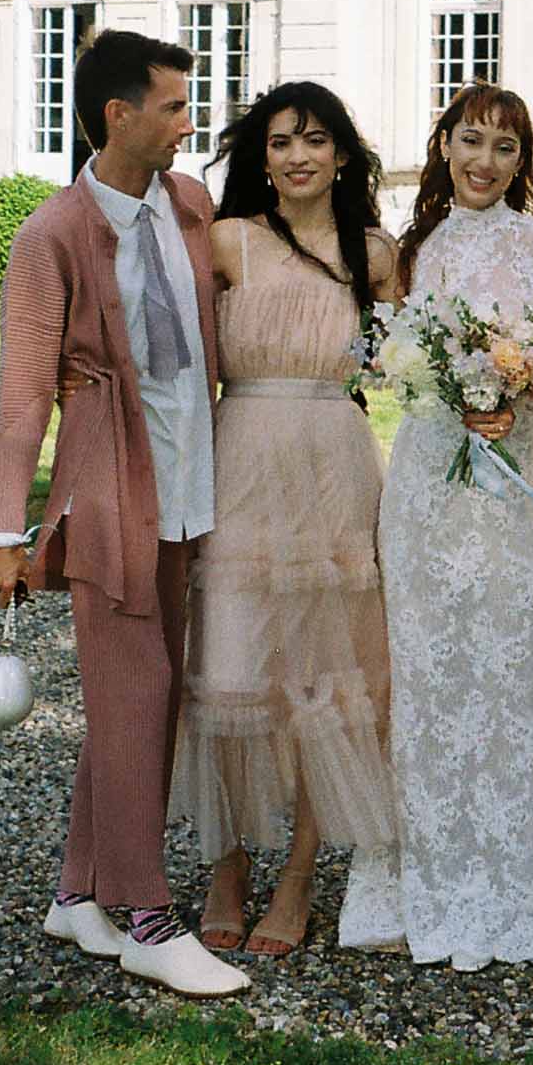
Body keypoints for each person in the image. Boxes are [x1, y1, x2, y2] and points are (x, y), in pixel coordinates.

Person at [0, 30, 248, 999]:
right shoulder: (49, 235)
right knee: (139, 692)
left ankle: (76, 892)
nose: (188, 123)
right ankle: (147, 918)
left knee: (139, 699)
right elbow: (21, 395)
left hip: (186, 485)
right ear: (117, 115)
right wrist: (4, 530)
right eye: (173, 106)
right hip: (106, 489)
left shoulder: (189, 204)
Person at [344, 82, 533, 970]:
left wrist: (521, 395)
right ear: (443, 144)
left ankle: (519, 891)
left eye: (505, 147)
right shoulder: (412, 250)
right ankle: (427, 882)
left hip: (516, 489)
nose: (485, 161)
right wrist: (433, 384)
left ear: (522, 163)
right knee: (427, 676)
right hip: (426, 487)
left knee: (514, 677)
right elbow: (387, 362)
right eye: (471, 140)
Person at [166, 82, 403, 958]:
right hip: (240, 458)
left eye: (313, 140)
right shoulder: (227, 240)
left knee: (325, 676)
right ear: (259, 159)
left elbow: (412, 366)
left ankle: (299, 876)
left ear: (341, 154)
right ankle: (225, 867)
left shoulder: (376, 255)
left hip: (336, 466)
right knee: (228, 665)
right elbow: (168, 348)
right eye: (278, 142)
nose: (297, 156)